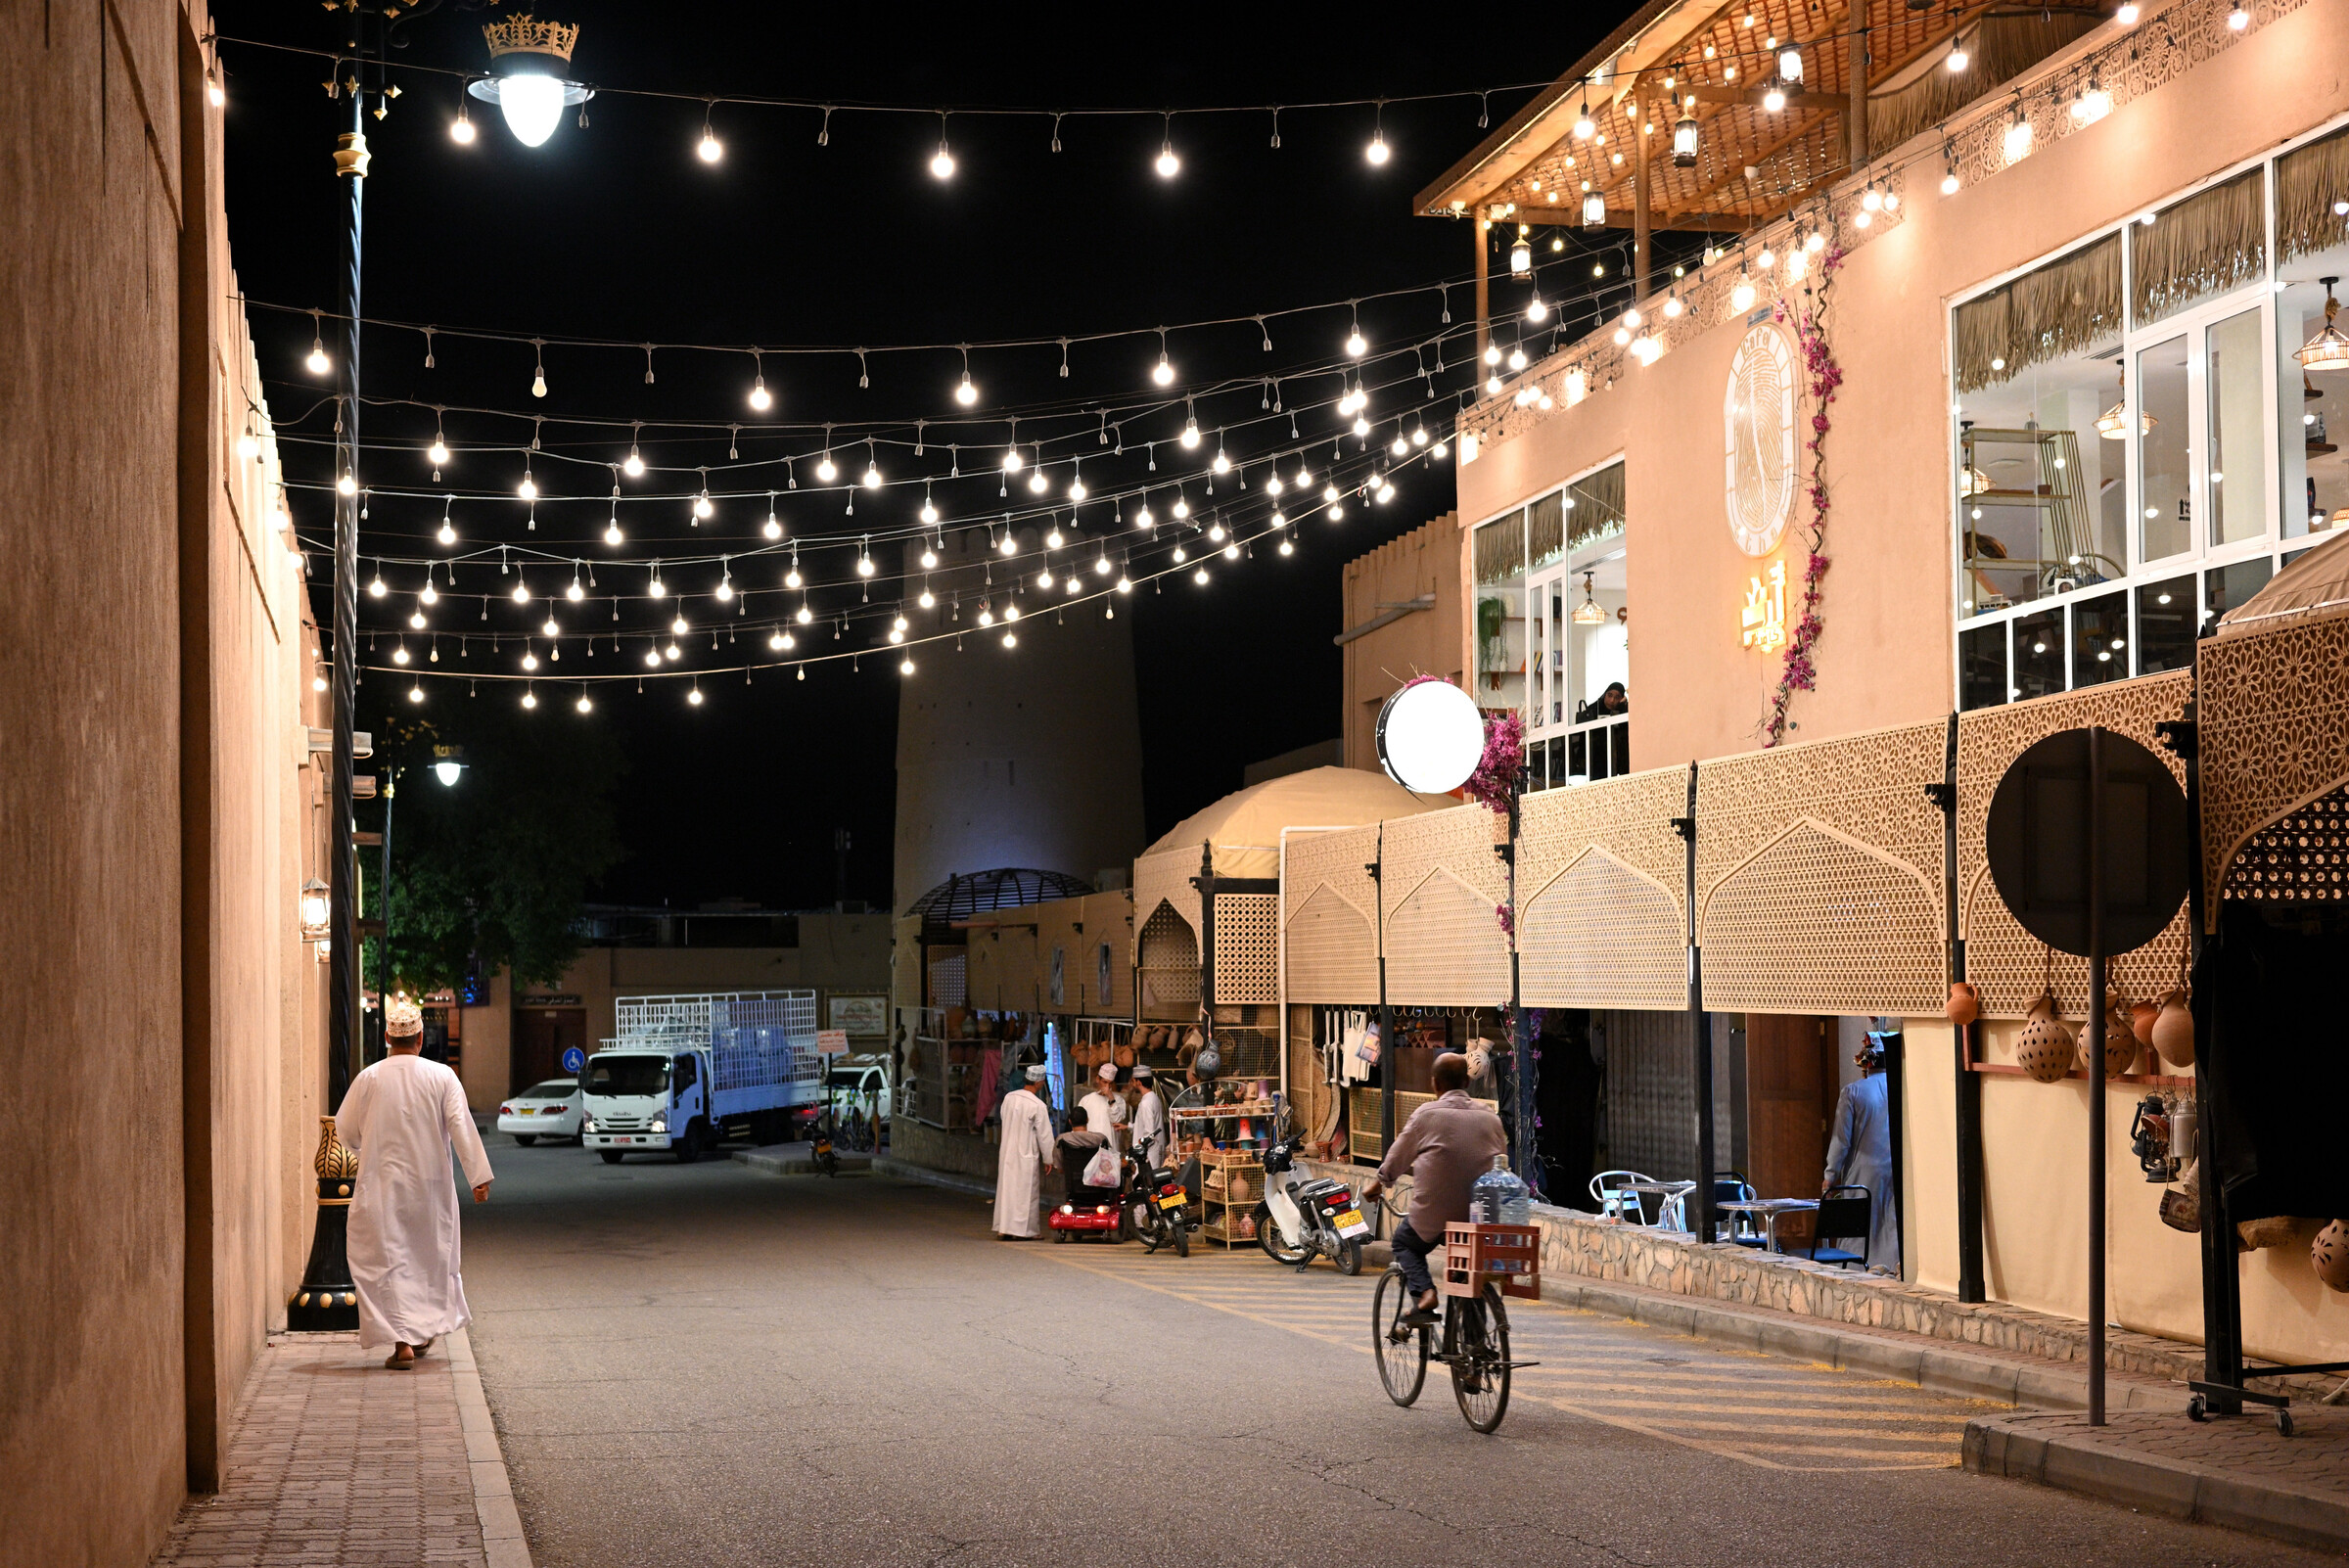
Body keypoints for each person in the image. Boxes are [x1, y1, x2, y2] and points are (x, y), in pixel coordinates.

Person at [339, 994, 494, 1370]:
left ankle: (404, 1342)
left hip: (382, 1187)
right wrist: (478, 1178)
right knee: (427, 1260)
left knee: (388, 1262)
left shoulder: (369, 1078)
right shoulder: (442, 1076)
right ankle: (419, 1332)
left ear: (387, 1039)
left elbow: (345, 1129)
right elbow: (462, 1127)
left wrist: (367, 1148)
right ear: (421, 1038)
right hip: (430, 1189)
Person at [1360, 1052, 1505, 1323]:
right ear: (1467, 1082)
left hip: (1433, 1217)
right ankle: (1474, 1343)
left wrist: (1378, 1185)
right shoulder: (1490, 1118)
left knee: (1404, 1243)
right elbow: (1502, 1162)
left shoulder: (1425, 1115)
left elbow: (1397, 1158)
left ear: (1435, 1084)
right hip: (1478, 1218)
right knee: (1468, 1271)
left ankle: (1426, 1293)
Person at [1823, 1038, 1900, 1273]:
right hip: (1896, 1168)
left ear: (1865, 1063)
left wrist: (1830, 1175)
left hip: (1863, 1170)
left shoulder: (1853, 1091)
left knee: (1861, 1227)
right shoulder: (1901, 1089)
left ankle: (1856, 1272)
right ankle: (1891, 1270)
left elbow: (1841, 1140)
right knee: (1890, 1227)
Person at [994, 1064, 1057, 1240]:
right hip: (1026, 1153)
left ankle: (1004, 1228)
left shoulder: (1009, 1098)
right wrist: (1049, 1159)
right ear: (1038, 1083)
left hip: (1007, 1152)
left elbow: (1004, 1118)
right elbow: (1045, 1135)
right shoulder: (1037, 1105)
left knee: (1007, 1190)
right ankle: (1027, 1231)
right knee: (1026, 1193)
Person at [1076, 1062, 1128, 1146]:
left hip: (1110, 1146)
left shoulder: (1119, 1100)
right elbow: (1078, 1124)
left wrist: (1111, 1098)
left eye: (1110, 1083)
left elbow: (1116, 1120)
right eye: (1105, 1082)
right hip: (1090, 1146)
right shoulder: (1086, 1100)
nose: (1107, 1087)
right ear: (1098, 1079)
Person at [1128, 1065, 1169, 1171]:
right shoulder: (1154, 1098)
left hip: (1148, 1156)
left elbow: (1149, 1133)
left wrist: (1138, 1149)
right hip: (1154, 1152)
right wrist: (1128, 1126)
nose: (1132, 1084)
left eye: (1133, 1081)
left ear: (1139, 1082)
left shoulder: (1146, 1103)